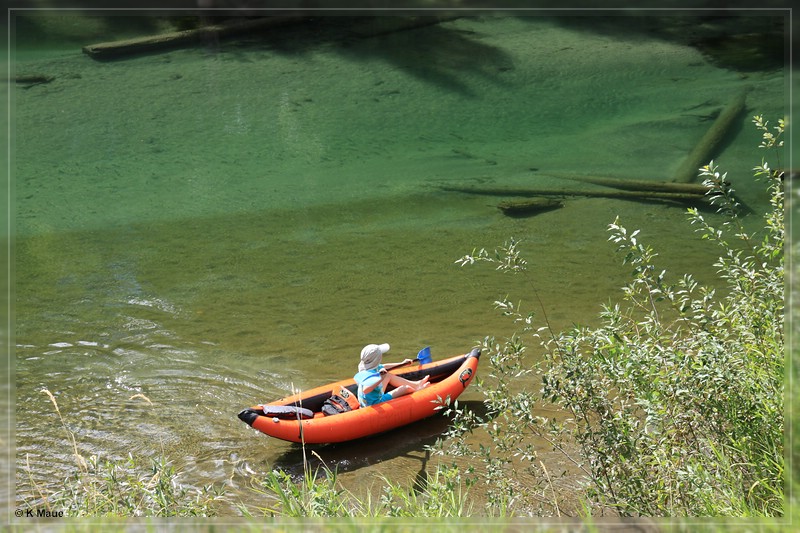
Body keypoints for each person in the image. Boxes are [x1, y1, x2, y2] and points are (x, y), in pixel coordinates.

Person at [354, 343, 429, 407]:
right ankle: (418, 390)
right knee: (406, 388)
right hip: (375, 403)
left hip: (372, 396)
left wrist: (402, 363)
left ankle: (416, 384)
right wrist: (380, 378)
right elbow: (365, 390)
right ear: (377, 359)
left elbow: (385, 366)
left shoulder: (367, 366)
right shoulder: (369, 375)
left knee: (388, 375)